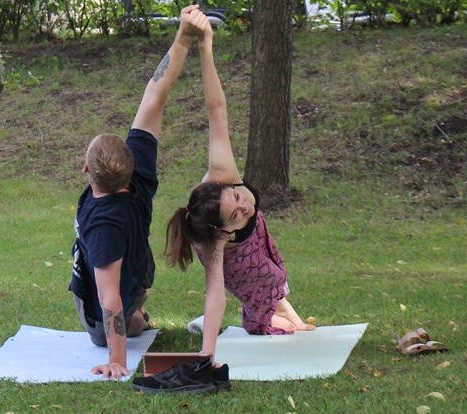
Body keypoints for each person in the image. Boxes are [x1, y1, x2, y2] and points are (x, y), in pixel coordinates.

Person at [69, 5, 212, 380]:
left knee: (113, 319)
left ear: (87, 171)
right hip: (137, 268)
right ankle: (139, 312)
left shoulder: (103, 226)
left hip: (113, 303)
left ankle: (136, 322)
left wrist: (117, 359)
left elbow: (108, 301)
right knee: (127, 294)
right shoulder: (140, 175)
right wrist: (183, 36)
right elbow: (156, 94)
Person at [164, 17, 315, 362]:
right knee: (259, 285)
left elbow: (216, 109)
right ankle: (260, 319)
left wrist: (206, 46)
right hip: (233, 250)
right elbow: (215, 293)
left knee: (274, 271)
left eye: (237, 200)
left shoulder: (223, 175)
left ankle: (285, 311)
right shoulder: (215, 241)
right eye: (236, 213)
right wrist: (207, 355)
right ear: (223, 228)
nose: (245, 206)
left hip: (235, 229)